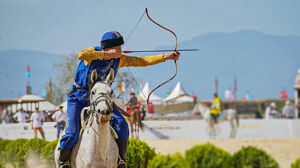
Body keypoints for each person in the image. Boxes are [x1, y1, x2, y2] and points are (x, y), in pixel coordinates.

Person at [57, 31, 180, 168]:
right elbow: (81, 54)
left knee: (122, 125)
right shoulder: (92, 54)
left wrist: (166, 56)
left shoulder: (119, 59)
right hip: (80, 97)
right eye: (118, 48)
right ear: (108, 48)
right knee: (72, 132)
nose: (121, 50)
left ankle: (121, 160)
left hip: (102, 98)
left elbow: (141, 61)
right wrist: (105, 55)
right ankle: (64, 162)